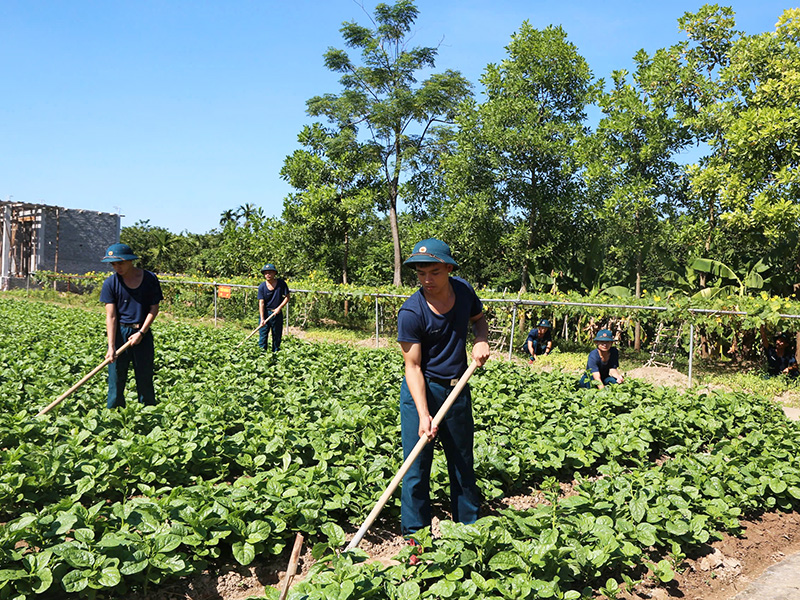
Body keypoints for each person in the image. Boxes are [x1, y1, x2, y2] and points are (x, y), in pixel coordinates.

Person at [397, 238, 491, 544]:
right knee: (416, 468)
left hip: (457, 388)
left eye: (434, 272)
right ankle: (415, 539)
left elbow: (479, 321)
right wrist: (424, 414)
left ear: (448, 269)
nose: (427, 279)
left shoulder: (463, 291)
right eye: (421, 273)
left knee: (462, 462)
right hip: (422, 391)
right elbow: (412, 368)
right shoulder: (411, 312)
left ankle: (469, 530)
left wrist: (480, 339)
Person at [99, 243, 163, 408]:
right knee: (116, 379)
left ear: (130, 261)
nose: (117, 267)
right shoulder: (110, 283)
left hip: (142, 332)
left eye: (120, 263)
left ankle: (149, 414)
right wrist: (111, 347)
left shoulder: (149, 279)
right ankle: (114, 416)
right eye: (113, 264)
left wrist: (141, 332)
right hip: (120, 333)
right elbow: (111, 316)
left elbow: (154, 308)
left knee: (144, 377)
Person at [257, 263, 290, 352]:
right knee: (263, 337)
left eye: (270, 272)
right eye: (266, 273)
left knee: (276, 336)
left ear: (275, 273)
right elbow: (261, 303)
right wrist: (262, 318)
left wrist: (279, 308)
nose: (268, 274)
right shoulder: (262, 287)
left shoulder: (281, 284)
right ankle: (262, 356)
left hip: (277, 314)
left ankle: (275, 356)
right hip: (265, 313)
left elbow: (287, 297)